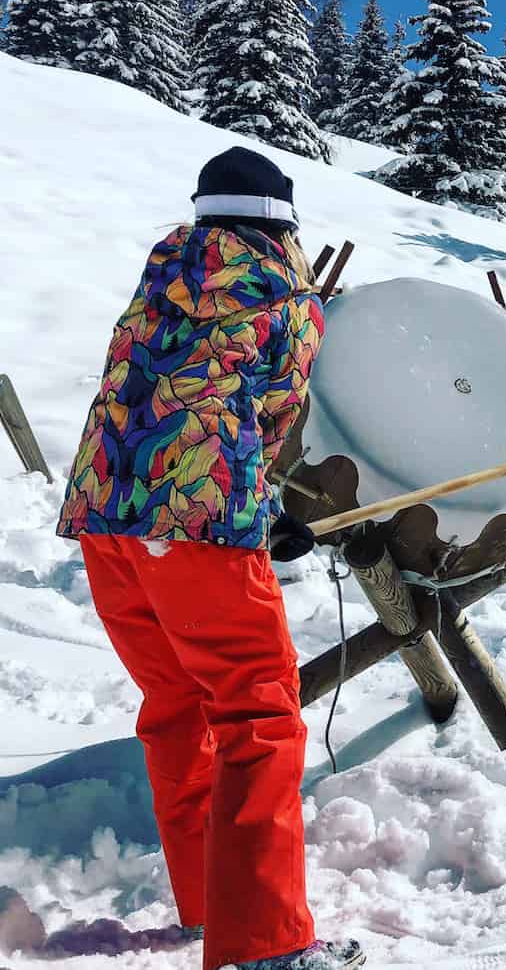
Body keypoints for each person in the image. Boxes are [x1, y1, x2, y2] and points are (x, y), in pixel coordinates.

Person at [56, 148, 364, 970]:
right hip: (192, 527)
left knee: (175, 705)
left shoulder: (160, 278)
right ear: (284, 227)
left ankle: (209, 905)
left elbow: (170, 393)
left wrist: (257, 513)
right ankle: (262, 945)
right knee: (257, 717)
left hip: (105, 518)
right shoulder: (287, 296)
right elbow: (265, 421)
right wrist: (266, 513)